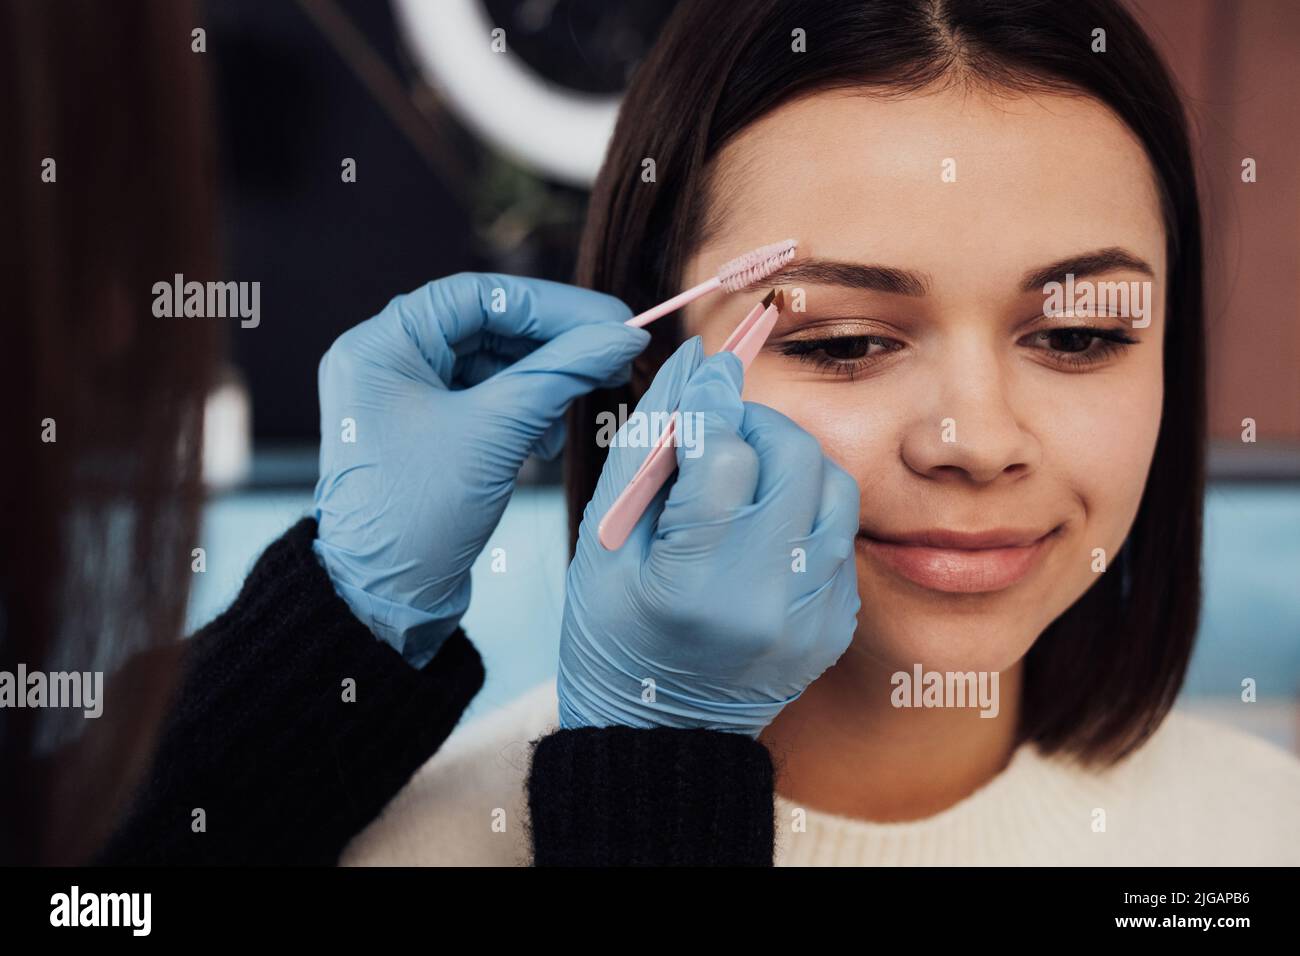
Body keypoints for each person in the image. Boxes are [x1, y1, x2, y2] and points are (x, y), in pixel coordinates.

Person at [340, 0, 1300, 866]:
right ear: (647, 369)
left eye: (1080, 335)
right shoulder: (416, 849)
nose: (976, 441)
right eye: (844, 342)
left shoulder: (1261, 834)